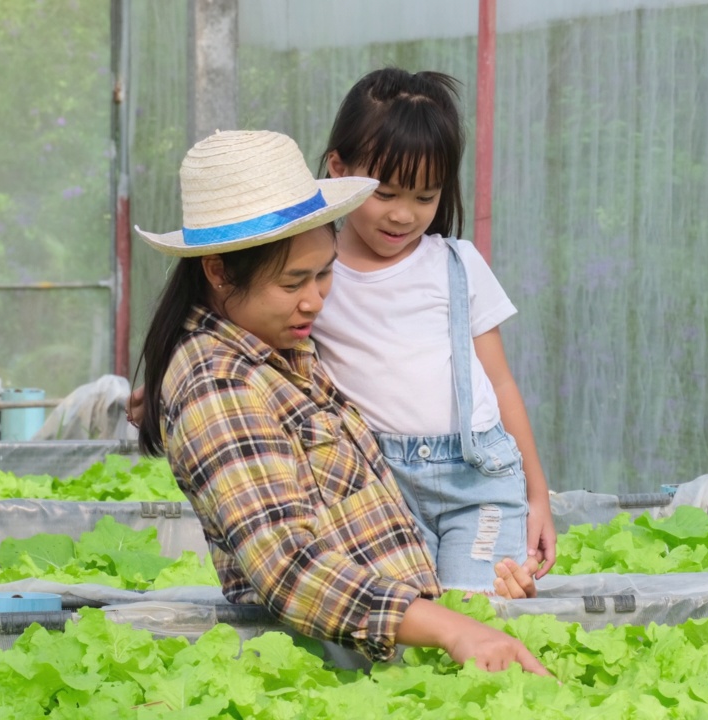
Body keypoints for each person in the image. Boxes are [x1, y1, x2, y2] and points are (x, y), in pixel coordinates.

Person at [133, 129, 548, 673]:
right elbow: (287, 567)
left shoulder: (284, 348)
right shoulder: (218, 385)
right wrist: (451, 628)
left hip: (400, 651)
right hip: (347, 673)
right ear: (217, 270)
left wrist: (470, 592)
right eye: (292, 282)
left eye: (326, 273)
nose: (315, 300)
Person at [317, 67, 557, 593]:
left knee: (480, 610)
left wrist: (538, 496)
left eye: (425, 198)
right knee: (401, 627)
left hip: (480, 482)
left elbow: (500, 382)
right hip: (375, 487)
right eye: (387, 194)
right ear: (339, 170)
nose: (404, 215)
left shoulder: (456, 263)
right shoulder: (315, 272)